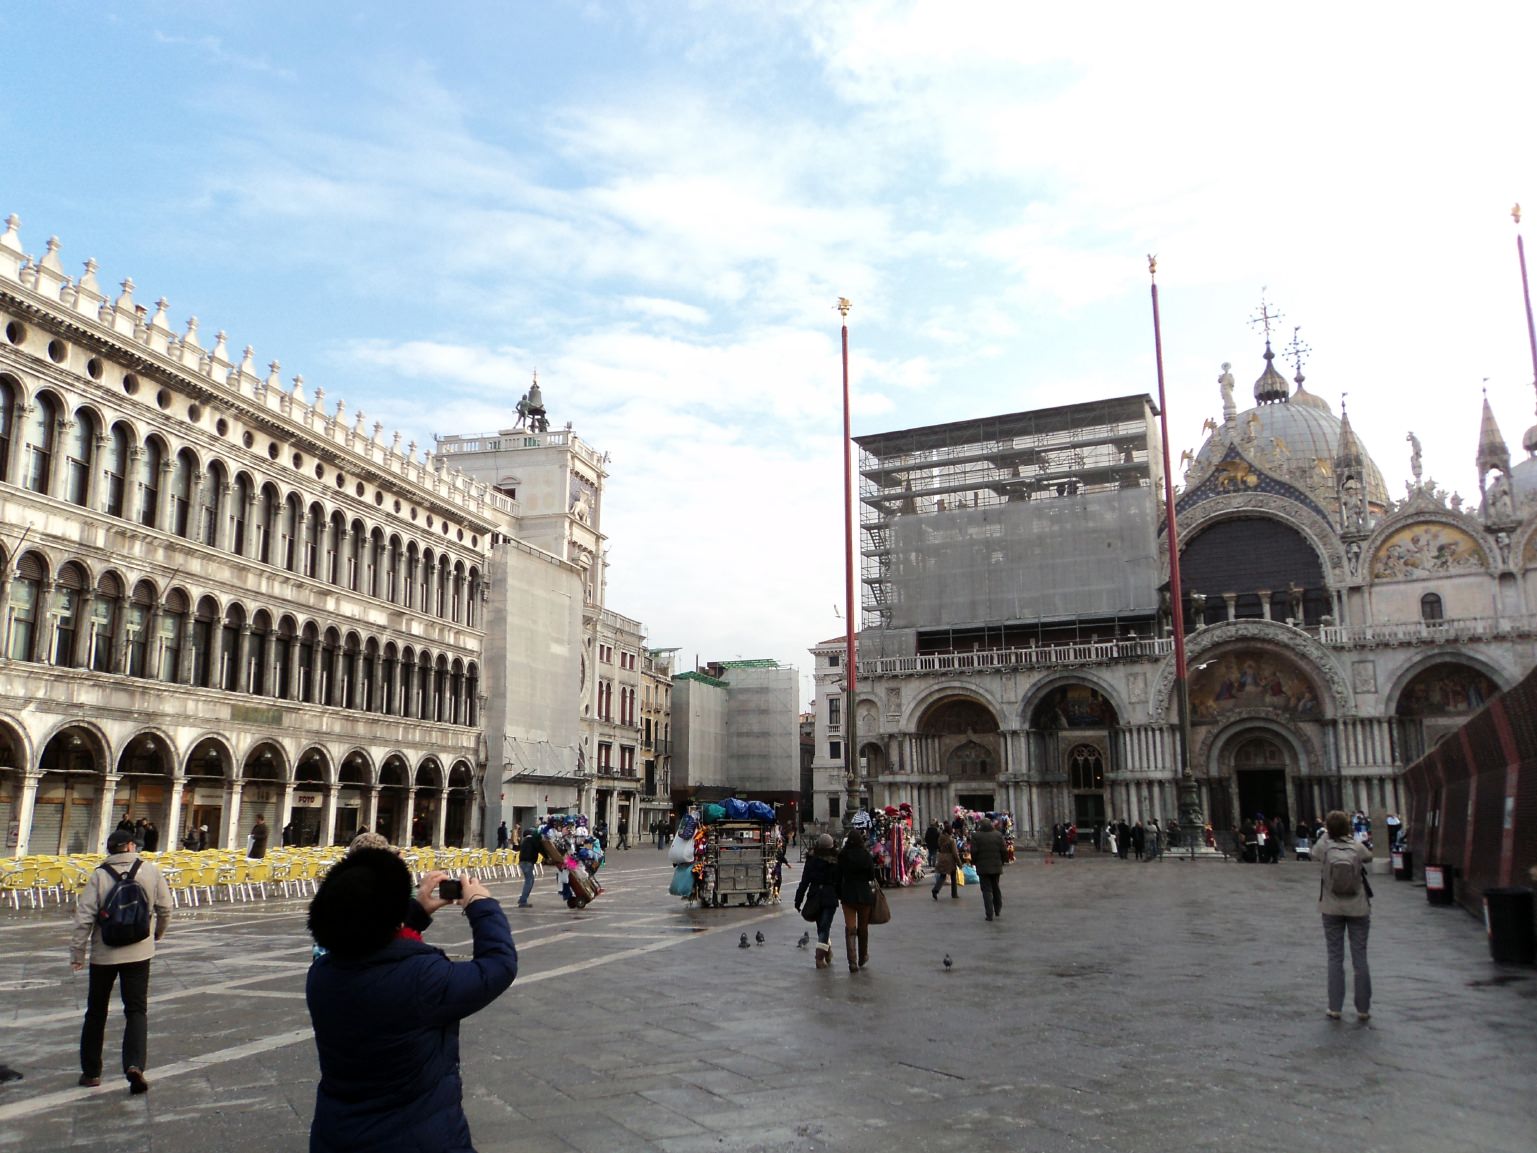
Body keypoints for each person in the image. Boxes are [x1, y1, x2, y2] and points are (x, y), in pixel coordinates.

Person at [306, 848, 517, 1153]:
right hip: (418, 1138)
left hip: (337, 1134)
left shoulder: (321, 975)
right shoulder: (421, 979)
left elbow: (367, 939)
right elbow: (498, 966)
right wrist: (481, 905)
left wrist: (414, 913)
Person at [70, 827, 173, 1093]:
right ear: (129, 846)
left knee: (96, 1012)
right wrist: (157, 933)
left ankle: (91, 1072)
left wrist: (78, 953)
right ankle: (134, 1064)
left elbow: (84, 918)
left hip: (104, 953)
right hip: (139, 951)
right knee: (136, 1010)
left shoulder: (99, 875)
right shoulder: (150, 870)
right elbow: (166, 908)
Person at [1316, 809, 1373, 1021]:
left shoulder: (1324, 847)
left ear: (1328, 829)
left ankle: (1335, 1007)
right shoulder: (1357, 847)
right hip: (1358, 907)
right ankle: (1363, 1009)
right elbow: (1369, 856)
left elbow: (1314, 851)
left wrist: (1327, 833)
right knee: (1360, 959)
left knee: (1334, 957)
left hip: (1331, 908)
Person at [794, 834, 841, 969]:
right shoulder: (836, 861)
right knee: (824, 928)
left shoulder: (811, 861)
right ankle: (820, 958)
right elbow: (839, 881)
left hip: (815, 897)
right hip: (830, 897)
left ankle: (825, 953)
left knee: (822, 927)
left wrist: (798, 900)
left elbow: (804, 882)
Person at [837, 829, 877, 972]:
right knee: (863, 927)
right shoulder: (866, 855)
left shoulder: (842, 855)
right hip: (864, 895)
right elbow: (871, 875)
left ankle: (852, 961)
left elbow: (838, 875)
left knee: (850, 928)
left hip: (848, 894)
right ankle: (863, 956)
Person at [970, 818, 1006, 922]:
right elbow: (1003, 850)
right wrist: (1002, 861)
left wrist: (974, 862)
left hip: (983, 867)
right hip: (996, 866)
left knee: (986, 890)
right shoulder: (998, 835)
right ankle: (998, 908)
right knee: (996, 887)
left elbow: (974, 852)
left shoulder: (976, 836)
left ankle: (989, 914)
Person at [516, 824, 543, 907]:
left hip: (523, 862)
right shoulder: (532, 840)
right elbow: (540, 848)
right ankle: (523, 901)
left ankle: (523, 899)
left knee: (530, 880)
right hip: (528, 862)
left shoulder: (525, 840)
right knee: (529, 881)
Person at [931, 826, 960, 900]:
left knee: (942, 876)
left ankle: (935, 890)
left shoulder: (940, 839)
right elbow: (955, 853)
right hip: (950, 859)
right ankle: (954, 894)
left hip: (941, 858)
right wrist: (959, 863)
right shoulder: (951, 840)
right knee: (953, 876)